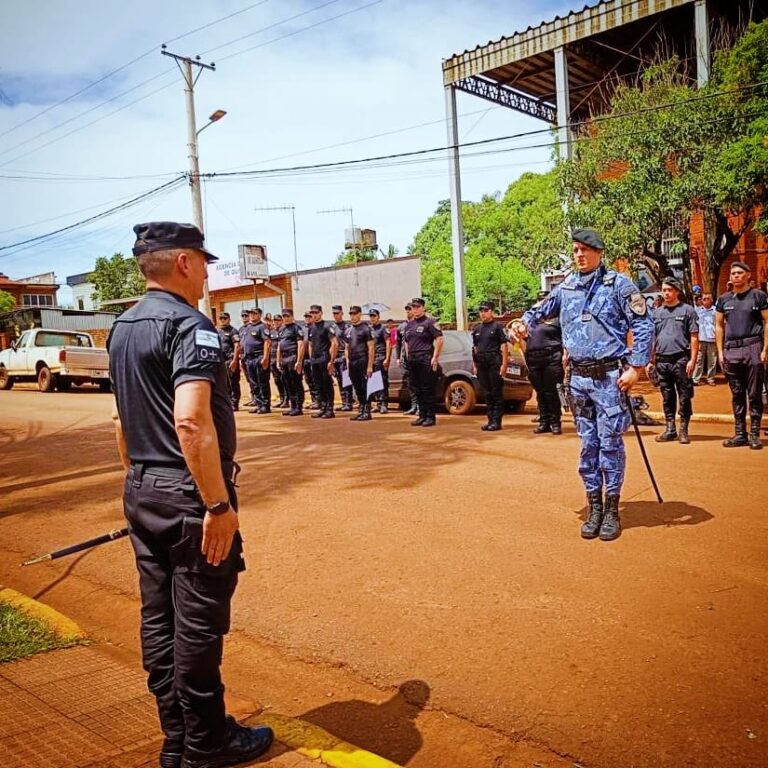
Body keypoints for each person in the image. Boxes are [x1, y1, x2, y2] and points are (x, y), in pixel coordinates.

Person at [107, 222, 273, 768]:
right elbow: (190, 422)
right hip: (189, 498)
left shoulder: (123, 327)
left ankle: (177, 738)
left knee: (159, 620)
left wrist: (142, 481)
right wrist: (217, 505)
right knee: (197, 625)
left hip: (143, 489)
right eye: (203, 262)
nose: (206, 272)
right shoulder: (191, 326)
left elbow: (121, 422)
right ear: (183, 263)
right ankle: (207, 746)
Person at [509, 228, 654, 542]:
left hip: (610, 378)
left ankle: (613, 508)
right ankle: (595, 506)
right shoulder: (567, 287)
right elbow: (538, 312)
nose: (579, 255)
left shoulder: (619, 285)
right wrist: (521, 323)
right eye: (575, 250)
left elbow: (643, 322)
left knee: (610, 443)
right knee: (588, 445)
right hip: (577, 380)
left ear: (599, 252)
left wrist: (638, 367)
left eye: (585, 250)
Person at [715, 261, 768, 450]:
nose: (736, 276)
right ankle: (740, 434)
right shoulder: (724, 300)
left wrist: (765, 349)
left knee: (754, 393)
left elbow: (767, 321)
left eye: (739, 273)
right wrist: (720, 352)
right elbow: (719, 326)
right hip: (732, 350)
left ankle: (754, 434)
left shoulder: (758, 297)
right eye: (733, 273)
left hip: (753, 346)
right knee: (737, 394)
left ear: (748, 275)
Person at [648, 277, 699, 445]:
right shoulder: (657, 313)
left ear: (677, 291)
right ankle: (670, 428)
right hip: (662, 360)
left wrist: (692, 359)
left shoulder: (687, 310)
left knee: (684, 395)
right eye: (664, 290)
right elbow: (652, 338)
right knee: (667, 395)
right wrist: (650, 360)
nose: (666, 293)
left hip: (681, 359)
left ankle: (684, 429)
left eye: (669, 290)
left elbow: (694, 337)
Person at [523, 290, 564, 435]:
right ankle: (543, 421)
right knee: (540, 392)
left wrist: (566, 356)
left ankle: (555, 422)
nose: (542, 302)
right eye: (539, 299)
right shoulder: (530, 319)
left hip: (551, 357)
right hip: (534, 358)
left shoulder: (558, 318)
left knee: (551, 391)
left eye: (544, 299)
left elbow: (567, 338)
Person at [404, 297, 443, 427]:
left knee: (427, 389)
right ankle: (422, 415)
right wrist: (408, 356)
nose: (415, 309)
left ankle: (430, 417)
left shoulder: (429, 322)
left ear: (423, 308)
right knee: (417, 388)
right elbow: (406, 342)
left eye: (417, 307)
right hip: (413, 359)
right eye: (413, 307)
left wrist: (435, 357)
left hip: (425, 357)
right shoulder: (409, 324)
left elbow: (439, 339)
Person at [471, 301, 509, 431]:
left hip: (494, 361)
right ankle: (490, 420)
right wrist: (474, 364)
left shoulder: (497, 327)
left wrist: (504, 364)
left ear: (491, 311)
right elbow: (475, 348)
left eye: (485, 310)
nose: (483, 313)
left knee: (496, 392)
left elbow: (504, 346)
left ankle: (497, 421)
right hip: (481, 362)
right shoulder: (477, 328)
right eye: (481, 311)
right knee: (487, 393)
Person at [307, 304, 338, 419]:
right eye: (312, 313)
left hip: (324, 358)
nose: (314, 315)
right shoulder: (311, 327)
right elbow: (310, 344)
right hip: (315, 360)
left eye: (316, 313)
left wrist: (331, 361)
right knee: (318, 385)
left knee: (327, 384)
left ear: (321, 313)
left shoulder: (327, 326)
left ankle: (330, 409)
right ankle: (323, 407)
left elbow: (334, 343)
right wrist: (311, 359)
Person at [344, 305, 375, 421]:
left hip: (363, 360)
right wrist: (347, 362)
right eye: (351, 314)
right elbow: (346, 347)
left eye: (354, 314)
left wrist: (370, 366)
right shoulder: (348, 330)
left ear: (359, 314)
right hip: (352, 362)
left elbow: (371, 348)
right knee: (357, 387)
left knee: (364, 386)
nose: (352, 316)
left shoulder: (366, 329)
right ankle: (361, 409)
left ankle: (367, 410)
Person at [277, 308, 306, 417]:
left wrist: (299, 361)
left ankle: (298, 407)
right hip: (284, 358)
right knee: (287, 383)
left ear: (292, 316)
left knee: (296, 383)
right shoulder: (282, 329)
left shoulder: (296, 328)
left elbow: (301, 345)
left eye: (288, 316)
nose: (286, 318)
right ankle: (292, 406)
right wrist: (278, 360)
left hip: (293, 357)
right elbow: (280, 345)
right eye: (284, 316)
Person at [242, 308, 271, 414]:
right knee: (254, 383)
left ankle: (265, 405)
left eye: (255, 314)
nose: (252, 315)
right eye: (251, 314)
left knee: (262, 382)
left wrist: (265, 358)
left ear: (259, 315)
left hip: (259, 357)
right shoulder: (247, 328)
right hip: (249, 358)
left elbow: (267, 342)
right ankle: (259, 404)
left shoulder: (262, 327)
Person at [367, 308, 392, 413]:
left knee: (382, 381)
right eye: (371, 316)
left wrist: (387, 358)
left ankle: (384, 404)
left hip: (380, 357)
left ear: (378, 317)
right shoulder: (369, 329)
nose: (372, 318)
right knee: (374, 382)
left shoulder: (382, 329)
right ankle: (378, 403)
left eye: (374, 316)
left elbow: (389, 343)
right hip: (372, 358)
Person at [216, 312, 241, 411]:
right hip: (220, 361)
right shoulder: (217, 330)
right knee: (223, 383)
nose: (222, 320)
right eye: (221, 318)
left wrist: (235, 360)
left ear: (229, 319)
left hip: (229, 360)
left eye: (225, 318)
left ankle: (234, 403)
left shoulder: (233, 331)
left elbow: (237, 346)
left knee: (233, 382)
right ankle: (226, 402)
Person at [396, 303, 418, 415]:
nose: (408, 312)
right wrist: (397, 358)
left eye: (410, 309)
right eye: (407, 310)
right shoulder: (401, 327)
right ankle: (414, 406)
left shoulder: (417, 324)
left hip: (415, 358)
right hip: (405, 359)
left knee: (417, 383)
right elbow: (397, 343)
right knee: (410, 383)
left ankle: (420, 406)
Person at [331, 305, 353, 411]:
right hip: (335, 357)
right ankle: (344, 402)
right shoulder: (332, 327)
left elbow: (349, 344)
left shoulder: (347, 327)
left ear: (342, 314)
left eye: (337, 313)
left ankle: (348, 403)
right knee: (339, 380)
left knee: (346, 380)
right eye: (334, 314)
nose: (336, 316)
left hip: (344, 356)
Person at [693, 292, 717, 386]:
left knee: (712, 360)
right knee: (699, 360)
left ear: (711, 300)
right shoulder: (698, 311)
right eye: (704, 299)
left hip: (712, 339)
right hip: (701, 339)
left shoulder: (716, 310)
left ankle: (711, 379)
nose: (706, 300)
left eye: (708, 298)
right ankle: (695, 379)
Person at [267, 313, 287, 408]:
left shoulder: (284, 331)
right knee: (277, 380)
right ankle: (282, 398)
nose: (276, 322)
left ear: (282, 321)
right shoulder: (272, 332)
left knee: (285, 380)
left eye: (278, 320)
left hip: (283, 359)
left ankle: (288, 399)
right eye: (275, 320)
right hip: (273, 359)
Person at [237, 310, 255, 406]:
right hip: (243, 356)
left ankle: (257, 398)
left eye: (246, 315)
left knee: (254, 379)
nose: (244, 317)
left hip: (251, 356)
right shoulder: (240, 329)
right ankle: (253, 397)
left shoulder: (251, 327)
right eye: (242, 316)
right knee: (249, 379)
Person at [302, 311, 319, 410]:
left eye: (309, 316)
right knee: (308, 380)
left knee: (316, 379)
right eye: (306, 317)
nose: (308, 318)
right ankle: (314, 400)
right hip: (305, 358)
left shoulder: (315, 328)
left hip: (315, 357)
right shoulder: (303, 329)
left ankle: (318, 400)